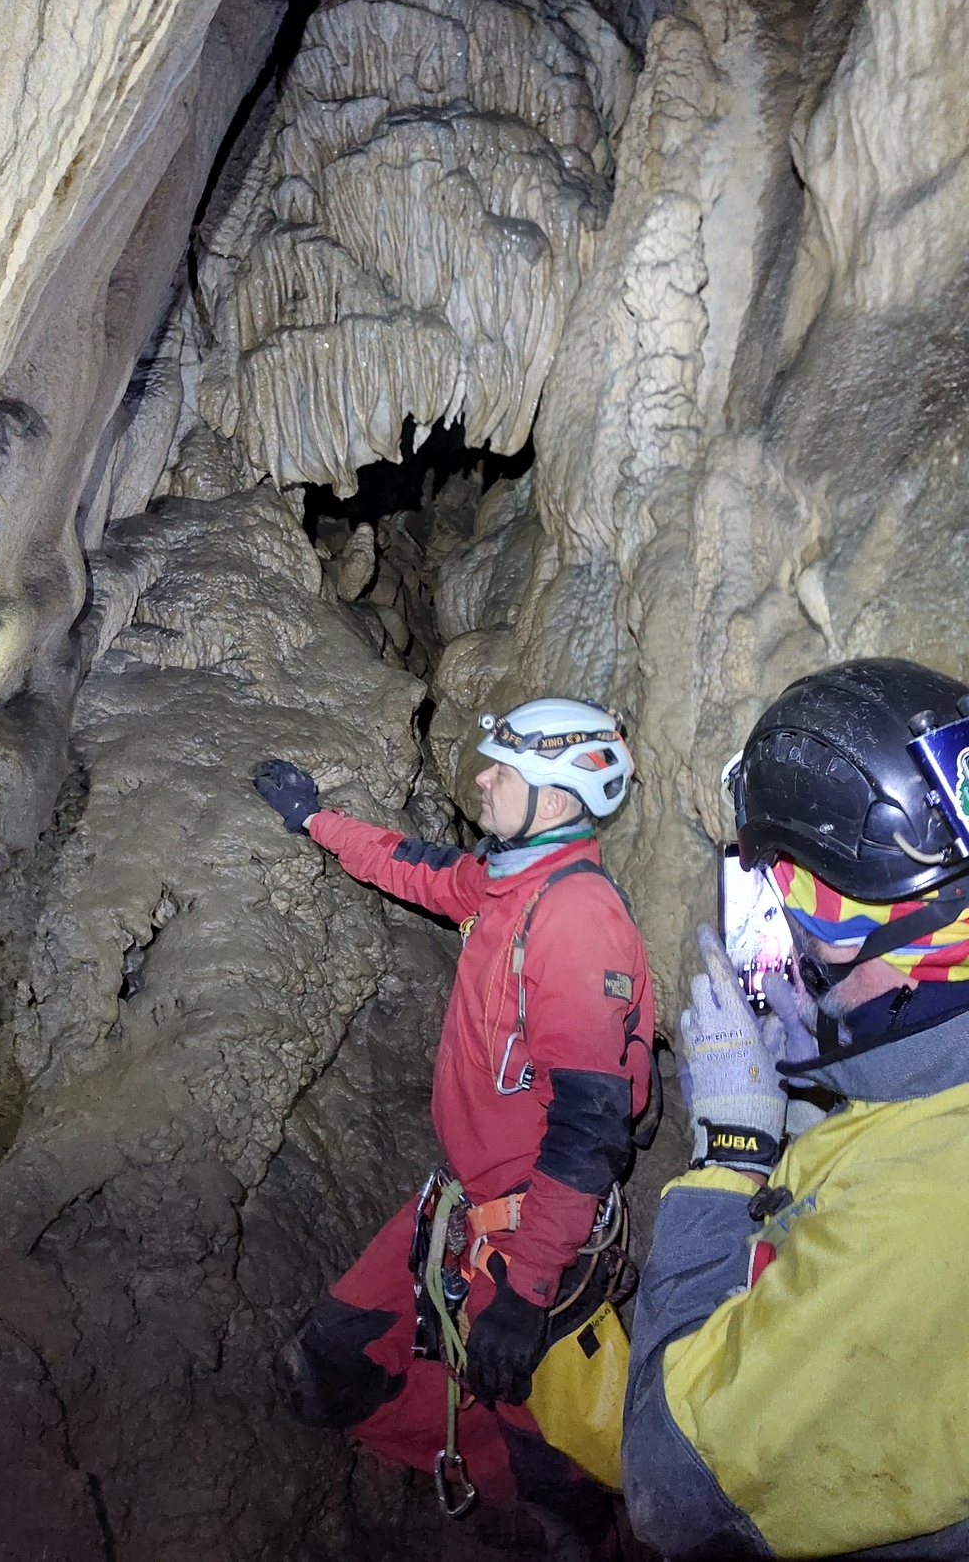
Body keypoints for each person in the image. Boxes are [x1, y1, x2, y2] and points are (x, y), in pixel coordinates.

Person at [254, 698, 655, 1550]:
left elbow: (588, 1130)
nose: (481, 778)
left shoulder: (578, 923)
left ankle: (546, 1512)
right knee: (323, 1371)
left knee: (563, 1501)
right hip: (463, 1208)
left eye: (502, 770)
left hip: (533, 1238)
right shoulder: (508, 883)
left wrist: (528, 1292)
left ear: (554, 799)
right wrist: (316, 820)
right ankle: (477, 1466)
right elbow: (420, 868)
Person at [624, 657, 969, 1561]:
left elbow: (674, 1491)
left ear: (839, 919)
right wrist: (840, 1072)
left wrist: (732, 1152)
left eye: (785, 891)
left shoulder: (910, 1219)